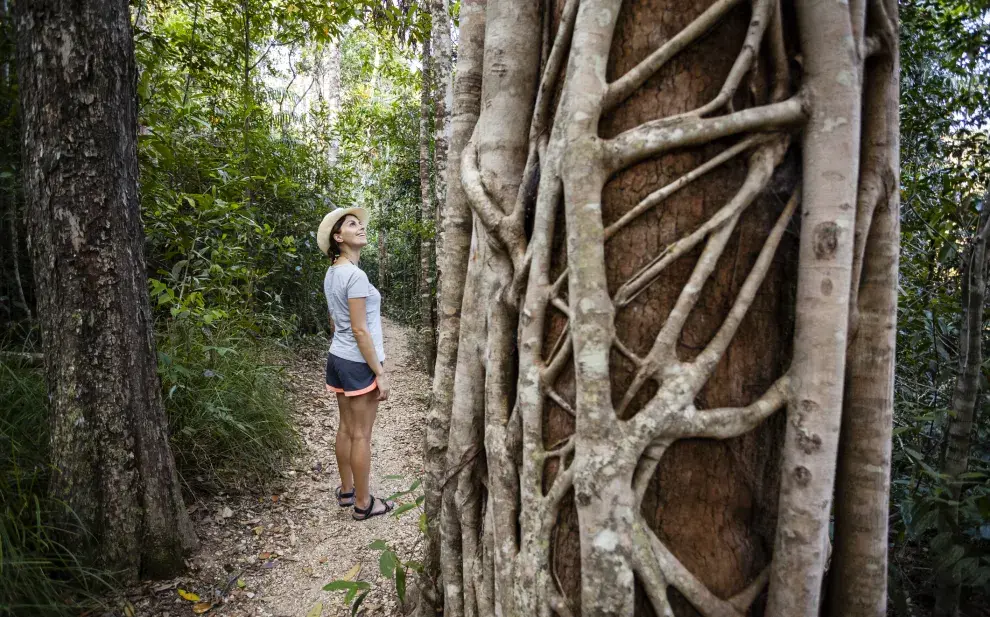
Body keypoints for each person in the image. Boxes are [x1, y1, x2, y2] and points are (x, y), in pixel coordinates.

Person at [317, 207, 395, 521]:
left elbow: (335, 322)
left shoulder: (333, 271)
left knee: (347, 428)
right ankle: (364, 503)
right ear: (339, 237)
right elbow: (360, 329)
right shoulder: (355, 275)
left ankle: (348, 490)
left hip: (338, 357)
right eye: (352, 224)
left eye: (359, 223)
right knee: (361, 434)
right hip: (358, 361)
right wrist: (380, 371)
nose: (360, 227)